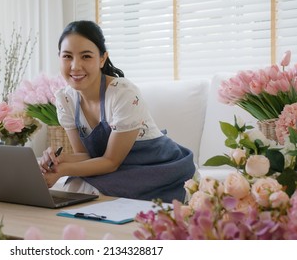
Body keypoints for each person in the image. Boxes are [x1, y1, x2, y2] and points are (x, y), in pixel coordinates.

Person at [39, 20, 195, 203]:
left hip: (155, 166)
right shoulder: (65, 100)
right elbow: (87, 156)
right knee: (76, 188)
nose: (75, 66)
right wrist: (59, 160)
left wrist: (63, 170)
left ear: (102, 59)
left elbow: (111, 162)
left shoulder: (123, 94)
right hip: (114, 167)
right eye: (67, 56)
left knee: (83, 189)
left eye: (86, 56)